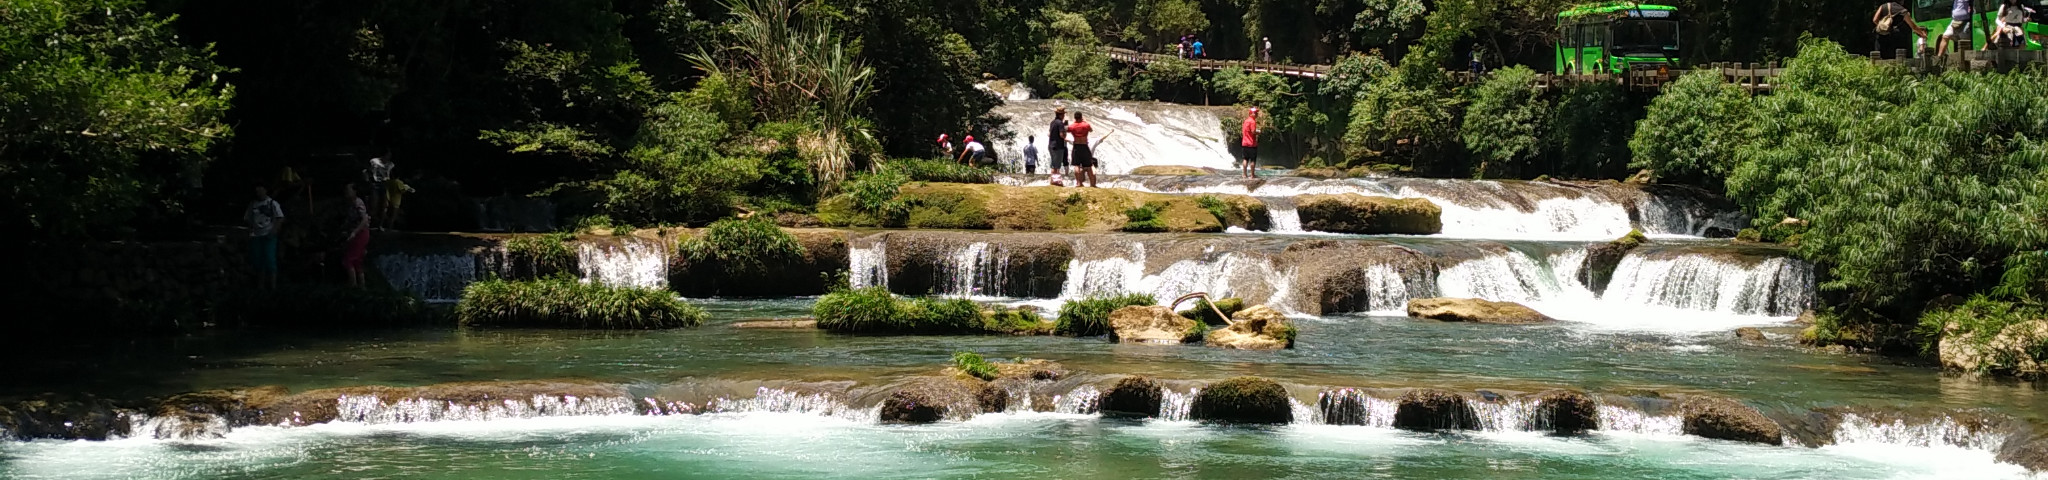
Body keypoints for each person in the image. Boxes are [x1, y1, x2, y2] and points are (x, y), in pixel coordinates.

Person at [245, 186, 285, 289]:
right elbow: (248, 218)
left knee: (270, 260)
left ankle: (273, 287)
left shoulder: (272, 203)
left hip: (269, 234)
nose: (259, 192)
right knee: (258, 261)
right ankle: (260, 286)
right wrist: (251, 230)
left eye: (260, 190)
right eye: (257, 191)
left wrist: (274, 230)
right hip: (256, 235)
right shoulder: (252, 204)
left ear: (265, 190)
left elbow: (280, 218)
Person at [341, 183, 372, 288]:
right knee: (357, 261)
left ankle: (353, 285)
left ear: (355, 191)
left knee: (348, 260)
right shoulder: (350, 204)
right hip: (356, 233)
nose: (346, 192)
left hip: (361, 234)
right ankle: (362, 287)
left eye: (348, 190)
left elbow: (364, 220)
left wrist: (354, 232)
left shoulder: (358, 203)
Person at [1066, 112, 1103, 188]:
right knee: (1089, 166)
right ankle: (1093, 184)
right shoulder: (1086, 125)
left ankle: (1079, 183)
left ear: (1075, 117)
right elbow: (1091, 130)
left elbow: (1066, 130)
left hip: (1076, 146)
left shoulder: (1072, 126)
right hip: (1084, 146)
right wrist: (1085, 121)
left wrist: (1070, 122)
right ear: (1081, 117)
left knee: (1077, 165)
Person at [365, 154, 394, 230]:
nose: (388, 157)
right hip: (375, 184)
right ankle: (368, 224)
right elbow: (367, 171)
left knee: (384, 206)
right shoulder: (374, 161)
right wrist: (368, 180)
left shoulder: (390, 164)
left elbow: (391, 175)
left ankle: (380, 225)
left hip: (385, 185)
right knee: (373, 205)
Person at [1048, 107, 1071, 186]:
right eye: (1063, 114)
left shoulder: (1052, 122)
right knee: (1056, 166)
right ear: (1061, 115)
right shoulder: (1060, 123)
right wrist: (1065, 136)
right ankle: (1055, 181)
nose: (1064, 116)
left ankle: (1052, 180)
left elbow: (1050, 134)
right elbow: (1061, 135)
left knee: (1054, 164)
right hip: (1058, 146)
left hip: (1051, 145)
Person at [1239, 107, 1260, 179]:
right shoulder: (1252, 121)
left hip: (1244, 143)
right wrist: (1258, 132)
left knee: (1245, 159)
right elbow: (1253, 131)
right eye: (1255, 113)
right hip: (1251, 143)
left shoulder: (1246, 121)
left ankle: (1244, 174)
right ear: (1251, 114)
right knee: (1253, 160)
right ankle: (1252, 175)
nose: (1257, 114)